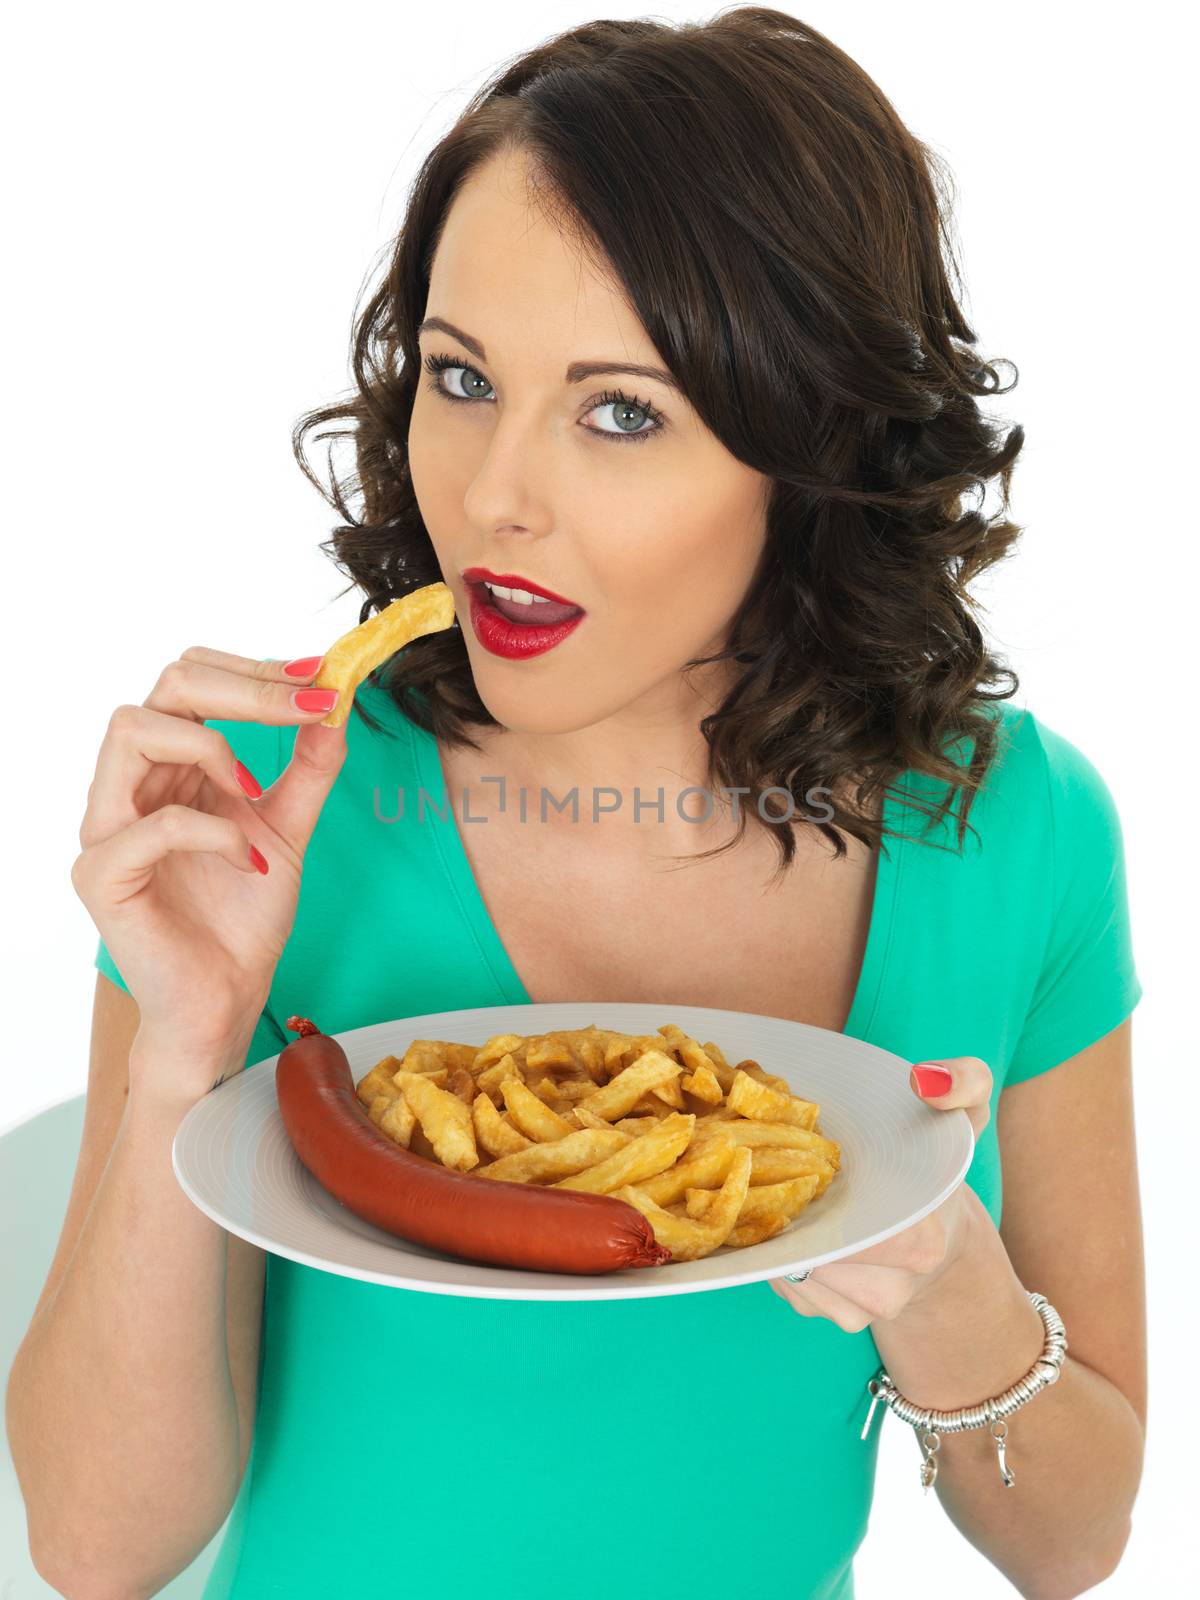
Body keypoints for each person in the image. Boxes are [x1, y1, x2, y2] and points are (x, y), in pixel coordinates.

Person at [6, 10, 1146, 1599]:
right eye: (461, 376)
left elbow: (1078, 1539)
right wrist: (182, 1053)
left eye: (621, 410)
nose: (490, 494)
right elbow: (96, 1547)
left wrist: (949, 1291)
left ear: (808, 448)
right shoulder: (264, 808)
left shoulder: (1016, 833)